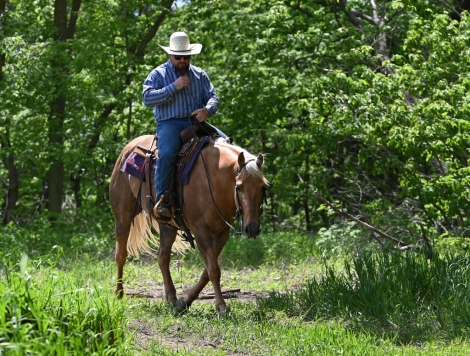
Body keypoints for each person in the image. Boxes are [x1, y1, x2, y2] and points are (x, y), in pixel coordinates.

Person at [142, 31, 227, 219]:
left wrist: (207, 110)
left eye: (186, 57)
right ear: (170, 55)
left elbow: (213, 96)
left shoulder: (200, 75)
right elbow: (147, 99)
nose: (182, 60)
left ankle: (229, 195)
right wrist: (174, 86)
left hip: (196, 121)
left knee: (227, 142)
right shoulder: (158, 74)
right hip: (169, 123)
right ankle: (162, 198)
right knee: (167, 154)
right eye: (178, 57)